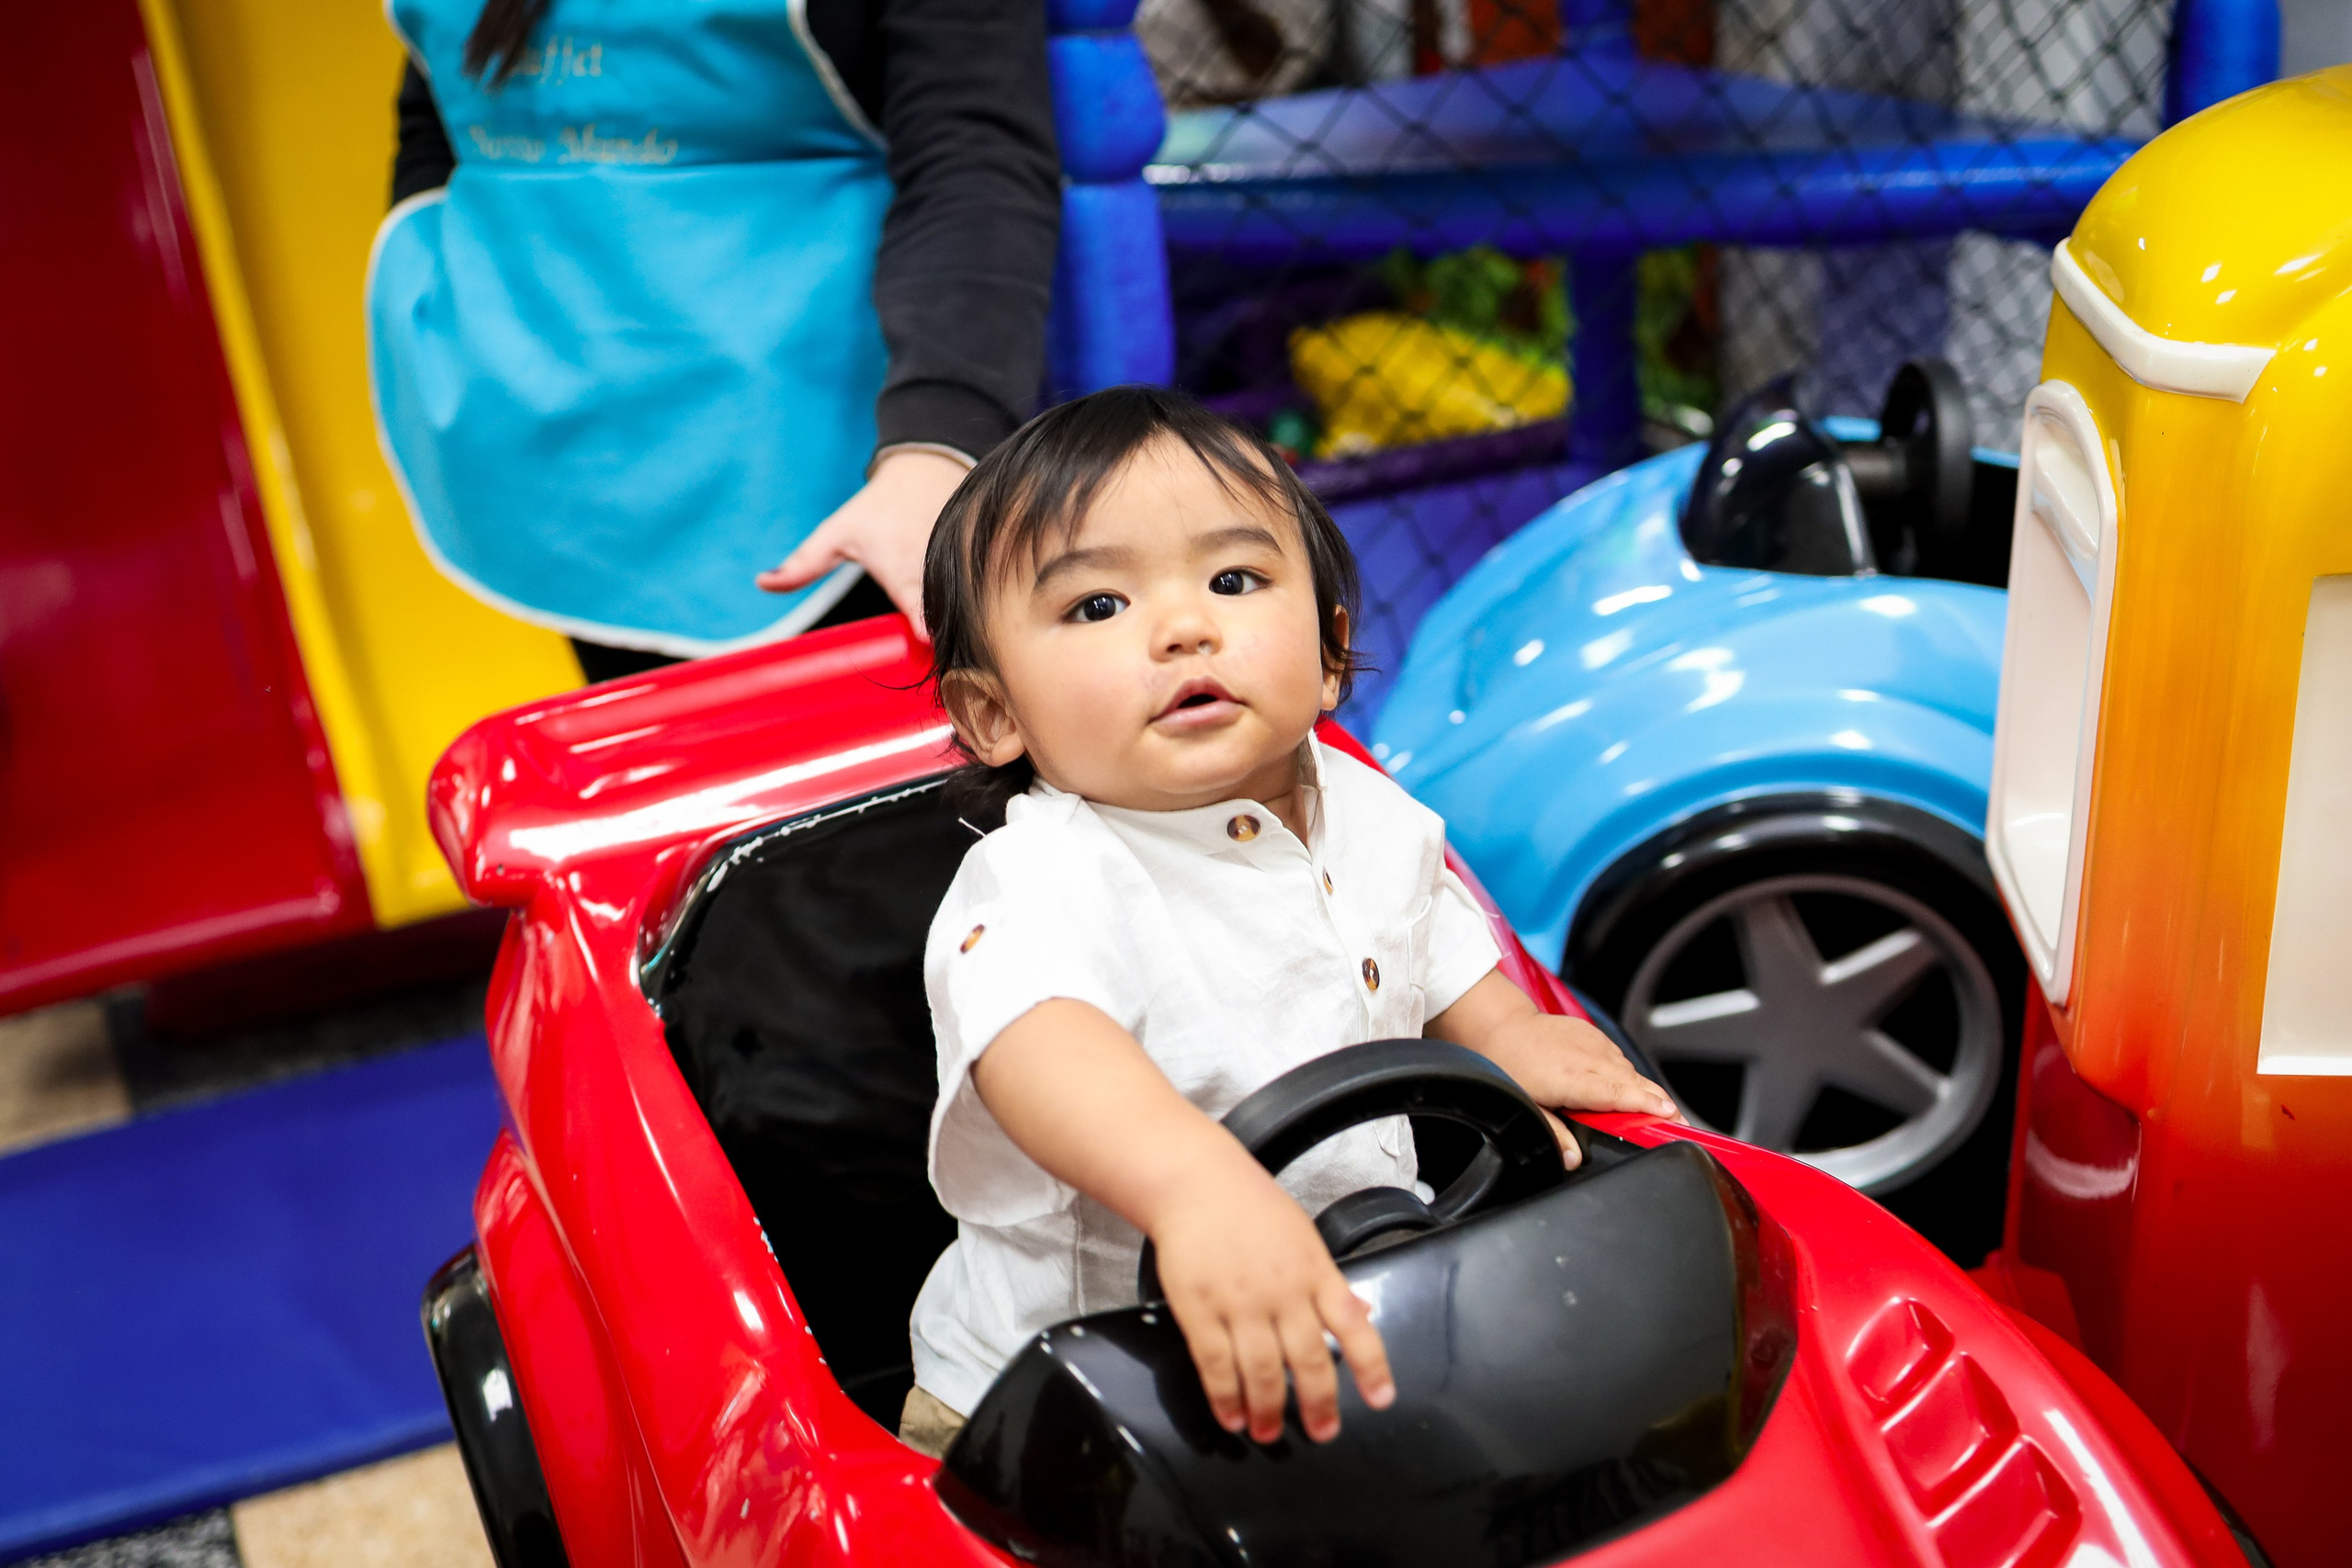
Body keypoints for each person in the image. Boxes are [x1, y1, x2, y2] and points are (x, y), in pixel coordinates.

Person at [898, 386, 1679, 1459]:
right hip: (1069, 1394)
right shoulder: (1044, 877)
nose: (1185, 628)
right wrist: (1192, 1186)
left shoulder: (1367, 807)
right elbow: (1038, 1044)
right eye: (1098, 605)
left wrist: (1505, 1032)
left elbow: (1428, 941)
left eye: (1233, 581)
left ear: (1329, 651)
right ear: (994, 715)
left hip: (1366, 1294)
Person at [371, 0, 1060, 682]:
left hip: (827, 464)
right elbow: (437, 114)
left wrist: (936, 443)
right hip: (536, 450)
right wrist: (424, 297)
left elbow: (972, 161)